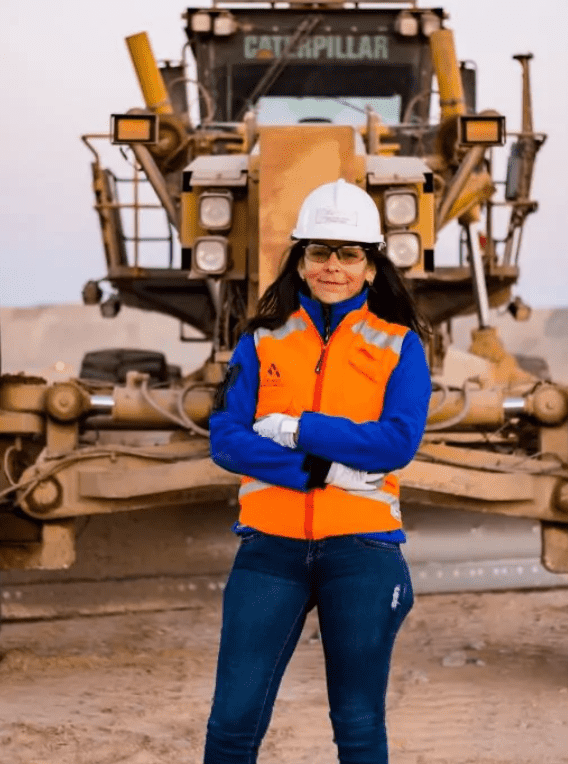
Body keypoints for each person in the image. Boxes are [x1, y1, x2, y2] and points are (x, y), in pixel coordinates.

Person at [203, 178, 433, 764]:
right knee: (232, 725)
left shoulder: (400, 346)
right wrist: (316, 472)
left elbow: (396, 442)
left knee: (357, 727)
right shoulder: (260, 342)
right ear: (301, 263)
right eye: (320, 252)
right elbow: (227, 440)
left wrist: (298, 425)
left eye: (348, 253)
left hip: (362, 554)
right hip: (270, 553)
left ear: (371, 267)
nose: (334, 266)